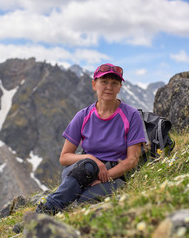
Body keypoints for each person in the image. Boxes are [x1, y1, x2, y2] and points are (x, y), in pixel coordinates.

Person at [36, 63, 147, 215]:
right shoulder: (83, 116)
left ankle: (62, 203)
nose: (109, 87)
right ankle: (46, 209)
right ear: (94, 85)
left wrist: (104, 177)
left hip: (114, 174)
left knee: (84, 200)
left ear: (120, 87)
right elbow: (64, 157)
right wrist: (91, 158)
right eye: (104, 82)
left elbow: (132, 160)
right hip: (82, 170)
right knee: (87, 166)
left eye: (114, 83)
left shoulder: (131, 115)